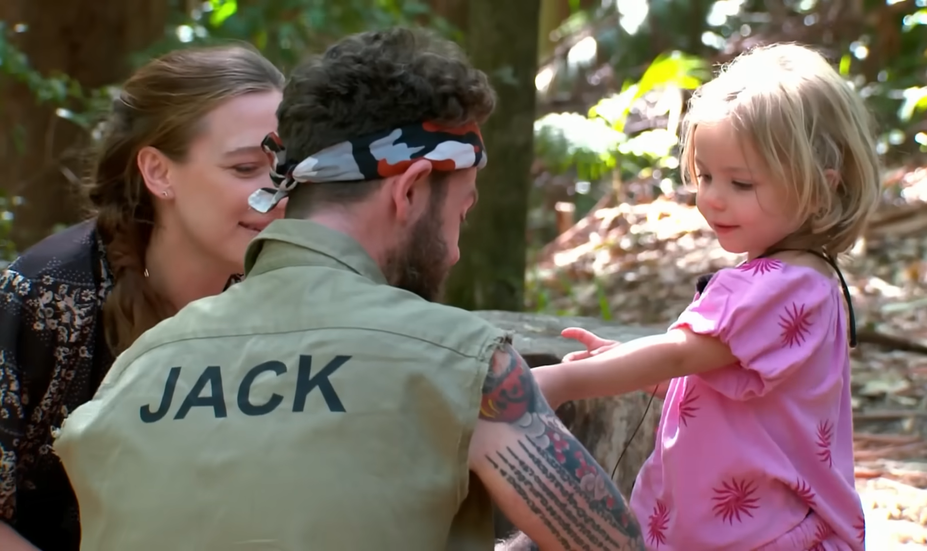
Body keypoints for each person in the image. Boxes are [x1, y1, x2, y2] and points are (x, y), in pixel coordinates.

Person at [52, 27, 644, 551]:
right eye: (461, 212)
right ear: (409, 190)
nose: (457, 249)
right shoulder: (464, 360)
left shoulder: (136, 367)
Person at [533, 43, 879, 550]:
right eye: (706, 176)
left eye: (741, 182)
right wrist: (629, 363)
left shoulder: (770, 288)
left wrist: (562, 381)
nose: (712, 198)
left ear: (819, 190)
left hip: (753, 535)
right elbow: (740, 393)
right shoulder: (814, 281)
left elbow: (680, 353)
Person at [0, 45, 285, 551]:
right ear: (158, 172)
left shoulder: (289, 290)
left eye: (284, 166)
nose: (275, 192)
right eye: (245, 169)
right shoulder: (46, 297)